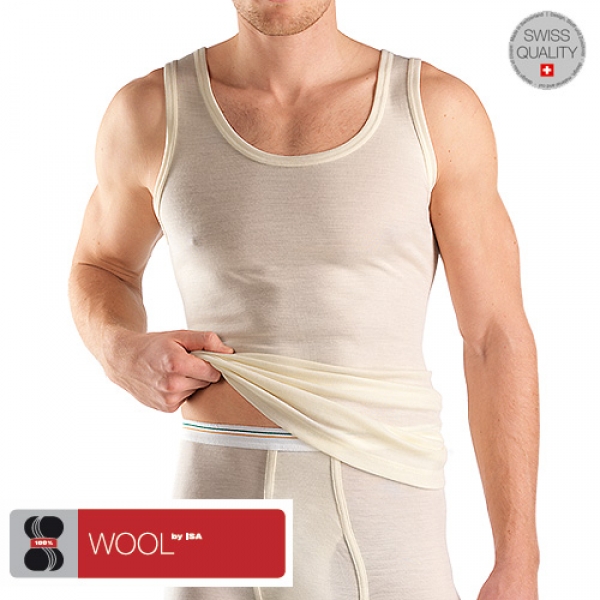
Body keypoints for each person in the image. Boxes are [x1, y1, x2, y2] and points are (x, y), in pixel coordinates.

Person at [69, 1, 540, 598]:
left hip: (388, 515)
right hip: (218, 504)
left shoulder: (434, 109)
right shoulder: (150, 111)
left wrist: (518, 560)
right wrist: (117, 349)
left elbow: (494, 335)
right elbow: (102, 265)